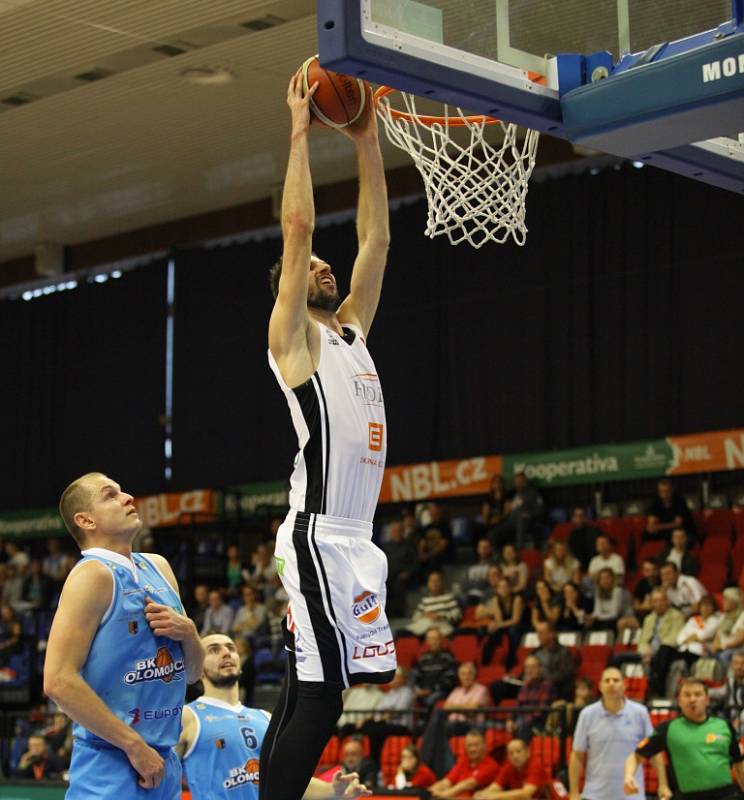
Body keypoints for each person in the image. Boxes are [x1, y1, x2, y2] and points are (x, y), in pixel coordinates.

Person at [262, 67, 393, 800]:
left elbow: (375, 236)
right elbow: (299, 224)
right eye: (307, 266)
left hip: (351, 534)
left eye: (322, 266)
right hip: (317, 532)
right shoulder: (294, 339)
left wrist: (367, 139)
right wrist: (299, 131)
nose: (322, 264)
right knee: (322, 696)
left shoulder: (348, 331)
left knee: (305, 688)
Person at [44, 472, 206, 799]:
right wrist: (133, 746)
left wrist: (189, 634)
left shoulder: (159, 567)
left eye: (122, 491)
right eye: (110, 495)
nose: (128, 497)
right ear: (86, 520)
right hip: (112, 759)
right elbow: (58, 681)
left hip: (162, 760)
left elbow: (193, 674)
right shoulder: (91, 575)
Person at [177, 632, 370, 799]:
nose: (226, 652)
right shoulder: (188, 716)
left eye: (230, 648)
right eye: (213, 650)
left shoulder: (267, 718)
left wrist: (333, 791)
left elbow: (287, 782)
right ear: (197, 668)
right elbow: (161, 779)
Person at [626, 678, 744, 799]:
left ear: (707, 700)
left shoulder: (724, 726)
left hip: (727, 795)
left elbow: (739, 763)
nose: (692, 699)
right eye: (687, 695)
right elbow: (636, 755)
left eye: (697, 694)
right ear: (679, 701)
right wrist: (629, 776)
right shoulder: (668, 729)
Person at [569, 667, 663, 800]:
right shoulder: (587, 714)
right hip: (595, 795)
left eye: (616, 680)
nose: (611, 684)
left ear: (625, 685)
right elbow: (577, 754)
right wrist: (573, 792)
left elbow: (654, 752)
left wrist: (663, 784)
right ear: (600, 686)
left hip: (632, 795)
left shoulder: (640, 712)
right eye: (607, 680)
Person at [637, 588, 685, 698]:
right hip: (649, 652)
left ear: (667, 601)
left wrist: (655, 652)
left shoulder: (676, 616)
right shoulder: (649, 618)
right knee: (618, 658)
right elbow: (643, 640)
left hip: (668, 651)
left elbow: (675, 637)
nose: (658, 604)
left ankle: (657, 689)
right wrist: (646, 651)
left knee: (664, 650)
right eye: (655, 601)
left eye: (661, 600)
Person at [429, 729, 500, 799]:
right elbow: (447, 781)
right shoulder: (464, 761)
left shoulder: (491, 765)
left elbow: (469, 784)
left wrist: (444, 794)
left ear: (484, 745)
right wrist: (429, 791)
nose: (472, 749)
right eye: (469, 745)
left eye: (476, 745)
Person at [473, 738, 543, 800]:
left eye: (518, 751)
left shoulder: (535, 766)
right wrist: (483, 794)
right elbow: (495, 787)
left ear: (527, 752)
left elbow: (525, 794)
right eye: (511, 753)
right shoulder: (508, 767)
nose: (515, 756)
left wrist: (495, 796)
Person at [479, 576, 526, 667]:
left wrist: (498, 625)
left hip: (521, 625)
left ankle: (512, 661)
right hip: (505, 625)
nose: (503, 590)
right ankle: (486, 661)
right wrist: (493, 625)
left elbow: (515, 620)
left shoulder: (517, 599)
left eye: (505, 587)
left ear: (510, 588)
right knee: (488, 630)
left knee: (513, 630)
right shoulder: (496, 600)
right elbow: (499, 619)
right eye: (500, 587)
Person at [510, 655, 555, 741]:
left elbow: (541, 711)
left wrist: (523, 721)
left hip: (538, 724)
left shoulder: (547, 686)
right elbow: (517, 706)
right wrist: (511, 720)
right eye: (527, 667)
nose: (529, 670)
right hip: (522, 721)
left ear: (540, 669)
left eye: (533, 667)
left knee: (522, 724)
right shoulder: (524, 686)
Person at [404, 571, 462, 637]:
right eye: (432, 581)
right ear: (428, 583)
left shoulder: (449, 598)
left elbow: (457, 616)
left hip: (442, 626)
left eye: (437, 581)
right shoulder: (424, 600)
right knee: (401, 633)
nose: (434, 584)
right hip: (424, 626)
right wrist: (424, 615)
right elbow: (415, 617)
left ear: (442, 583)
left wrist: (440, 616)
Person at [413, 626, 458, 709]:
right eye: (430, 639)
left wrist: (430, 690)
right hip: (423, 691)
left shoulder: (448, 657)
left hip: (441, 691)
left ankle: (425, 722)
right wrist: (418, 689)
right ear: (427, 641)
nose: (433, 642)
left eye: (436, 639)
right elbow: (416, 676)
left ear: (441, 640)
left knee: (430, 700)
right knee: (409, 697)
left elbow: (449, 681)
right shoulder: (423, 658)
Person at [443, 661, 491, 734]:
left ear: (474, 675)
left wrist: (454, 707)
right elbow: (446, 707)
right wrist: (465, 706)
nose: (466, 677)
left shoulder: (481, 689)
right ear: (459, 677)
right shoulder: (456, 691)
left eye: (469, 674)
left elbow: (473, 707)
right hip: (454, 724)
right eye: (463, 674)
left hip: (472, 725)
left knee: (444, 728)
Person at [643, 479, 697, 544]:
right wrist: (651, 527)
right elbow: (651, 521)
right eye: (661, 492)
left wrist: (658, 527)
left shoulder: (679, 501)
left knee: (675, 535)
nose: (664, 494)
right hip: (665, 529)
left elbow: (677, 524)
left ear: (672, 490)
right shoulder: (656, 502)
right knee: (646, 534)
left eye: (666, 491)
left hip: (682, 529)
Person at [567, 508, 602, 573]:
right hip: (579, 568)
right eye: (576, 516)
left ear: (586, 518)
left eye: (581, 516)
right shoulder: (571, 535)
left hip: (596, 566)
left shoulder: (595, 531)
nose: (579, 519)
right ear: (573, 519)